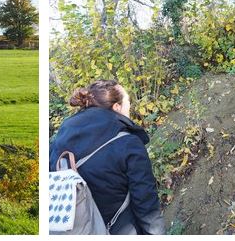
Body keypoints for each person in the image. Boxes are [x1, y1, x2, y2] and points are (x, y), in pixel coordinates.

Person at [49, 80, 164, 234]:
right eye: (128, 102)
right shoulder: (128, 143)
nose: (130, 106)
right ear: (117, 107)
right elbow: (146, 204)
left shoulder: (62, 137)